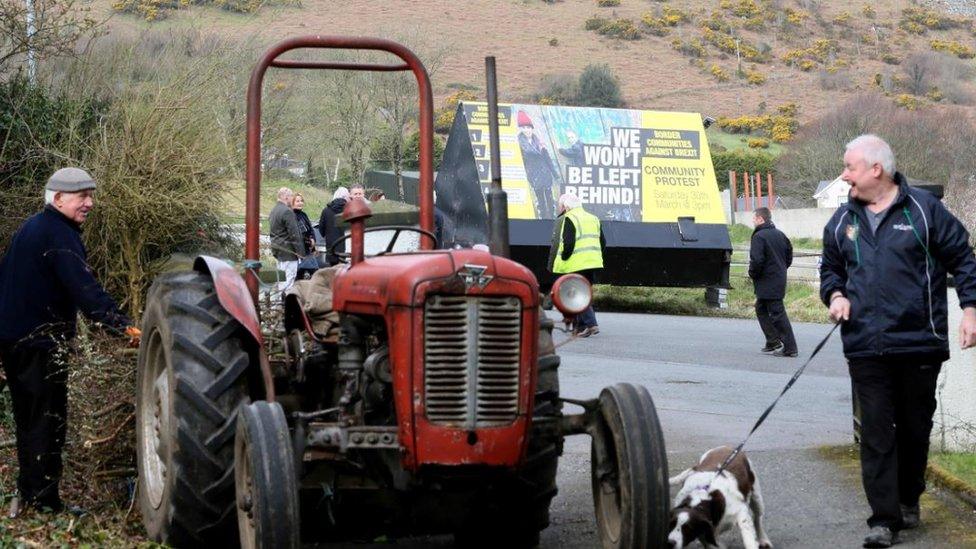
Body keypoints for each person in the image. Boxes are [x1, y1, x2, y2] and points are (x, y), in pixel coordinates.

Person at [820, 135, 976, 548]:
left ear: (876, 169)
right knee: (876, 433)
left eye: (850, 166)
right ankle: (883, 520)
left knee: (913, 429)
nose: (844, 174)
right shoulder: (841, 222)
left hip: (919, 343)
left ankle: (909, 498)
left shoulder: (925, 211)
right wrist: (835, 296)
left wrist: (971, 310)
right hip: (865, 346)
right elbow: (830, 271)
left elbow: (963, 257)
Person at [0, 167, 138, 515]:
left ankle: (32, 492)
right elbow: (84, 290)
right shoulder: (58, 234)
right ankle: (44, 501)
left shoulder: (34, 227)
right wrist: (122, 326)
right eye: (82, 197)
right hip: (38, 343)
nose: (89, 204)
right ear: (58, 198)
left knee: (30, 418)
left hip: (16, 340)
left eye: (91, 196)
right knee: (47, 420)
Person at [548, 193, 605, 337]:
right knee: (583, 292)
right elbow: (603, 241)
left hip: (576, 263)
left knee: (577, 294)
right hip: (592, 262)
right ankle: (582, 327)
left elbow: (568, 242)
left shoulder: (569, 218)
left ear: (566, 206)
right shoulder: (593, 218)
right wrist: (594, 255)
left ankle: (591, 324)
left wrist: (565, 258)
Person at [748, 206, 797, 357]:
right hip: (778, 278)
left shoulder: (759, 237)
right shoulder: (780, 235)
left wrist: (753, 273)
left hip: (767, 280)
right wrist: (781, 269)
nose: (753, 221)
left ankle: (790, 347)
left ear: (761, 219)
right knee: (761, 308)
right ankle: (772, 341)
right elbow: (789, 256)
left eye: (754, 218)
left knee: (777, 312)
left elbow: (757, 260)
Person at [516, 110, 560, 219]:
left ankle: (552, 217)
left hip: (545, 174)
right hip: (533, 175)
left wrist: (555, 174)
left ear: (532, 128)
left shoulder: (540, 142)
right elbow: (520, 161)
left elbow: (547, 159)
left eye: (528, 127)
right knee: (540, 199)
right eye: (524, 128)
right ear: (521, 129)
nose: (526, 130)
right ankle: (542, 218)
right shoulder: (519, 144)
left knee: (550, 197)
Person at [269, 186, 304, 289]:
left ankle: (280, 302)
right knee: (289, 280)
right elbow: (294, 234)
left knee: (281, 279)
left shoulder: (274, 210)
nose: (291, 199)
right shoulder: (287, 211)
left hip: (278, 249)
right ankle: (286, 304)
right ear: (285, 197)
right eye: (291, 197)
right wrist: (300, 253)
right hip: (288, 251)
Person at [319, 187, 349, 266]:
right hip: (345, 248)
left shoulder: (326, 211)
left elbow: (321, 229)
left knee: (333, 274)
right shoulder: (349, 210)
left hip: (331, 248)